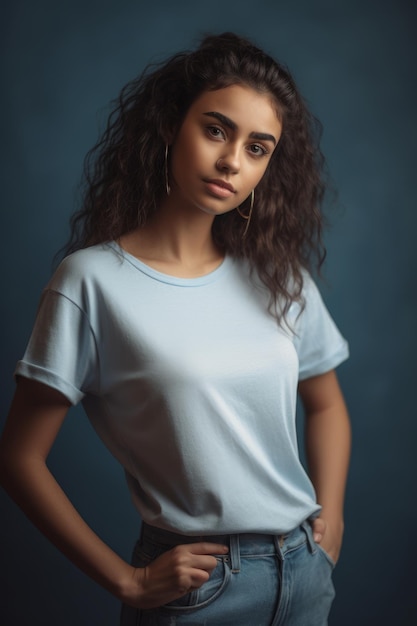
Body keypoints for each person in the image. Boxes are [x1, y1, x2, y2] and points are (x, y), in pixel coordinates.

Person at [0, 32, 351, 626]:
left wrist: (332, 519)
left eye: (258, 148)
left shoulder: (279, 277)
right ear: (170, 126)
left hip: (305, 575)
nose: (232, 161)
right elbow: (18, 458)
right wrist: (126, 580)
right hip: (200, 591)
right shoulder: (91, 282)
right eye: (216, 130)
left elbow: (326, 404)